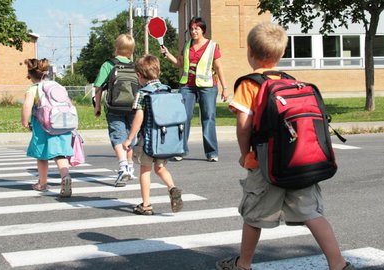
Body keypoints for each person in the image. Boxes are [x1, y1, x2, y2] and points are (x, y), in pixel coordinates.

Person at [215, 23, 355, 270]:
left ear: (249, 51)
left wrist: (244, 153)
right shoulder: (292, 82)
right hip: (299, 162)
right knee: (312, 213)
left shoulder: (249, 84)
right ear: (281, 54)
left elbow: (244, 126)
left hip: (265, 164)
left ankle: (243, 264)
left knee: (254, 216)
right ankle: (338, 263)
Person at [121, 54, 183, 215]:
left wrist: (129, 138)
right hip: (164, 138)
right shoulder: (167, 89)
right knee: (160, 168)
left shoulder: (143, 94)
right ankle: (172, 187)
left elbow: (139, 117)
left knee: (145, 170)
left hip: (148, 140)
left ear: (139, 75)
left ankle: (146, 204)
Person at [160, 17, 228, 162]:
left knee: (208, 117)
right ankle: (180, 150)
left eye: (196, 28)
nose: (193, 31)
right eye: (191, 28)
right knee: (184, 117)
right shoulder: (187, 45)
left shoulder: (212, 46)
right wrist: (167, 54)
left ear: (203, 30)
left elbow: (218, 67)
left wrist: (225, 87)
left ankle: (212, 153)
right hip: (187, 86)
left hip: (207, 86)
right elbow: (179, 63)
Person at [21, 58, 72, 198]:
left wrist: (25, 121)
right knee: (60, 154)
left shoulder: (33, 89)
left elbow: (27, 105)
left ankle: (42, 183)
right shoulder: (56, 85)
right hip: (61, 124)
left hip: (42, 125)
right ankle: (65, 175)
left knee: (42, 155)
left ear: (30, 75)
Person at [93, 34, 137, 187]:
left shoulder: (109, 64)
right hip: (133, 107)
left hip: (114, 107)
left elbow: (98, 87)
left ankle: (123, 166)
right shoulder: (135, 66)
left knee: (117, 136)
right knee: (130, 137)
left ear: (116, 47)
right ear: (131, 51)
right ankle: (130, 168)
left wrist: (97, 107)